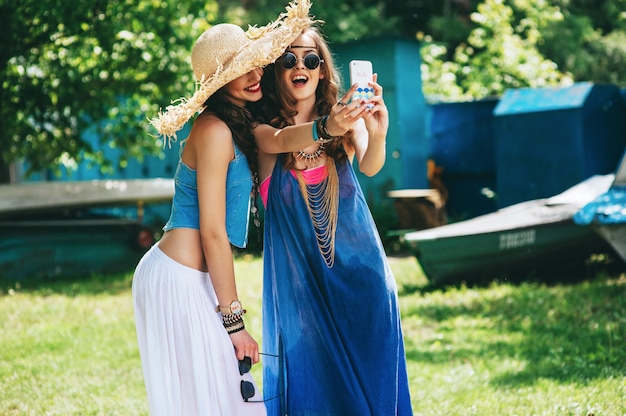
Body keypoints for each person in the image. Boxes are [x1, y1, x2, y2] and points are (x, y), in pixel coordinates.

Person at [131, 2, 316, 415]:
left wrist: (329, 125)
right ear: (218, 82)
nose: (254, 76)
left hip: (191, 278)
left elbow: (283, 140)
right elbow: (212, 231)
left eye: (255, 66)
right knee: (222, 397)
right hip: (176, 279)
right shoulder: (214, 129)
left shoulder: (239, 125)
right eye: (239, 70)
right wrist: (235, 324)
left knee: (226, 399)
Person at [251, 26, 414, 415]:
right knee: (314, 389)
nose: (299, 66)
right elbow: (280, 142)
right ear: (277, 71)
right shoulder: (262, 131)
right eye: (288, 59)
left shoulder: (346, 121)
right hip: (301, 292)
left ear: (322, 70)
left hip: (363, 279)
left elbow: (372, 167)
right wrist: (328, 127)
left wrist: (377, 133)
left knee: (372, 384)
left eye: (310, 58)